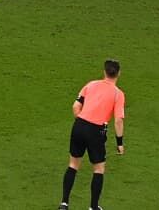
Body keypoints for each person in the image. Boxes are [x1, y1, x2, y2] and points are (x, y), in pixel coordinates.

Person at [58, 59, 125, 210]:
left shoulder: (91, 85)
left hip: (79, 126)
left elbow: (76, 106)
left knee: (73, 165)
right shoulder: (118, 94)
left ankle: (64, 203)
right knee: (99, 169)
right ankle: (93, 207)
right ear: (118, 73)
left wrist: (82, 122)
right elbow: (119, 120)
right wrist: (119, 142)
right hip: (96, 131)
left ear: (104, 71)